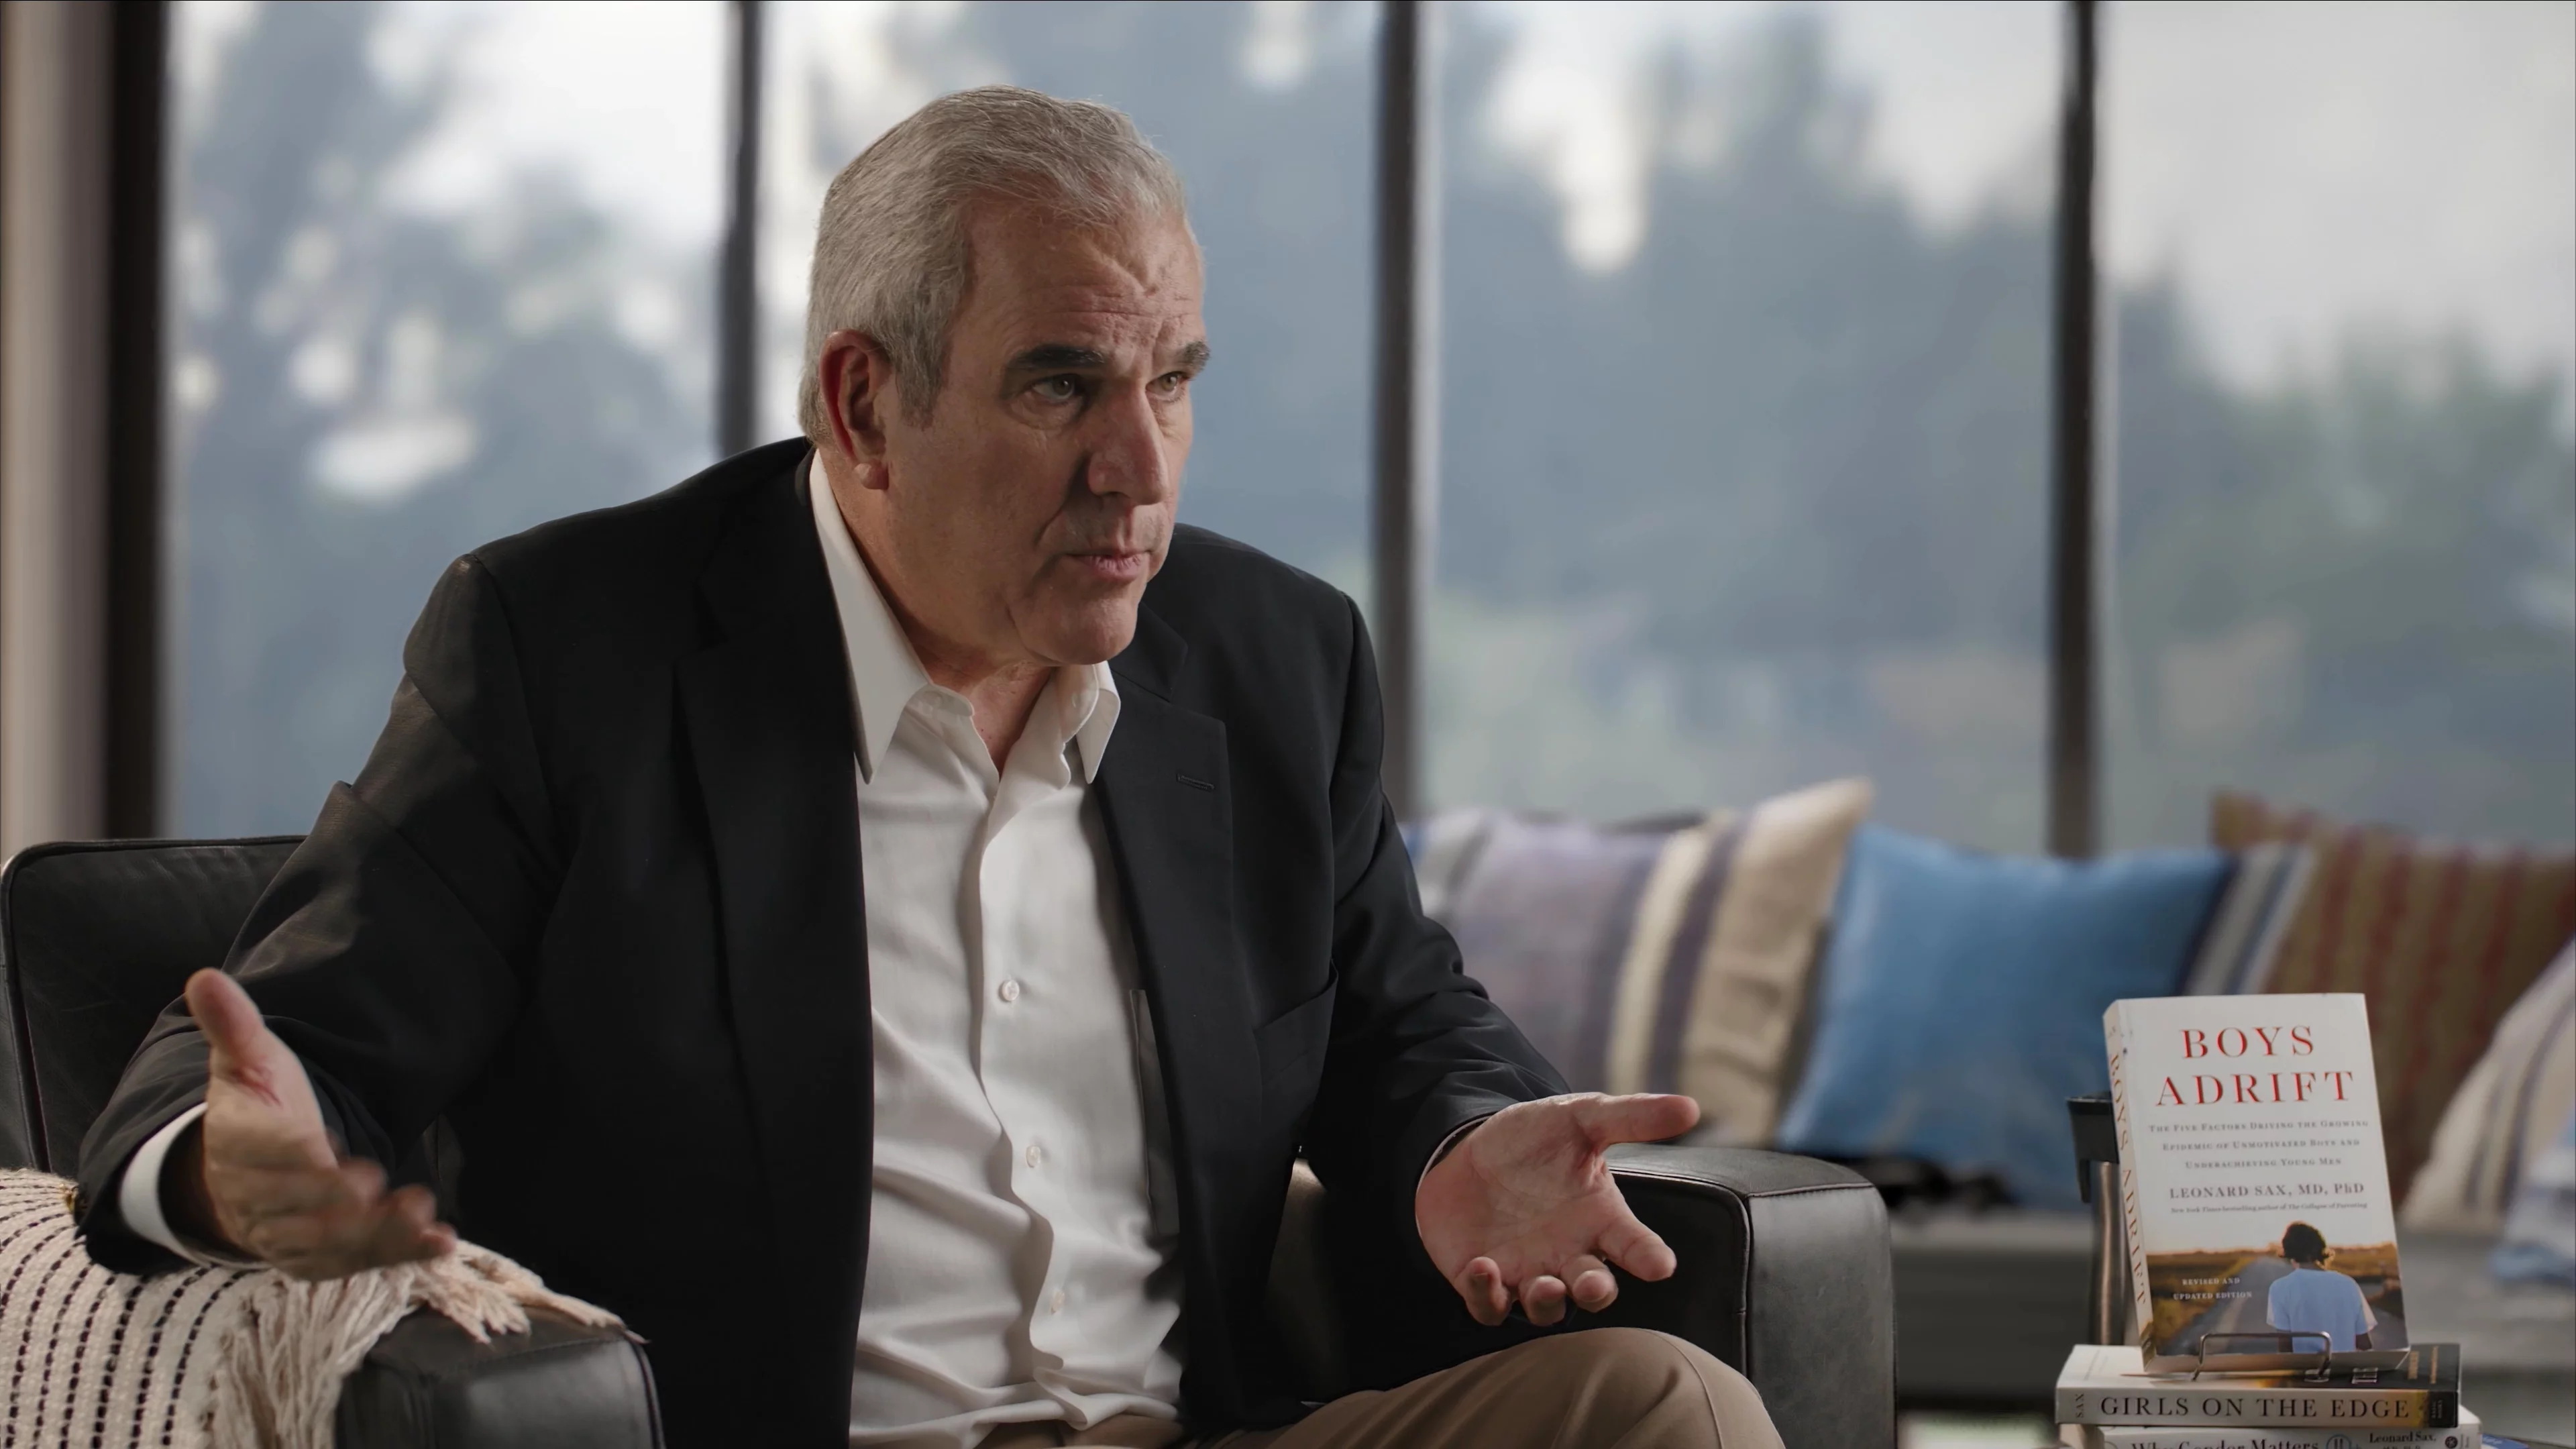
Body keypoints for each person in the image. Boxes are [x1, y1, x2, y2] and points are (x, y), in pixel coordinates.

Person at [72, 87, 1786, 1449]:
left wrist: (1461, 1137)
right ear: (863, 408)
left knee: (1667, 1407)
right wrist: (234, 1164)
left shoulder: (1273, 660)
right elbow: (268, 1063)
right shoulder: (571, 652)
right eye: (1062, 387)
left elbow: (1398, 1024)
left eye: (1173, 381)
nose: (1140, 470)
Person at [2265, 1222, 2377, 1353]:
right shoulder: (2348, 1284)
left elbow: (2285, 1347)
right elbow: (2364, 1344)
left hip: (2305, 1365)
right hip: (2344, 1365)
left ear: (2288, 1251)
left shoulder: (2280, 1288)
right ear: (2320, 1248)